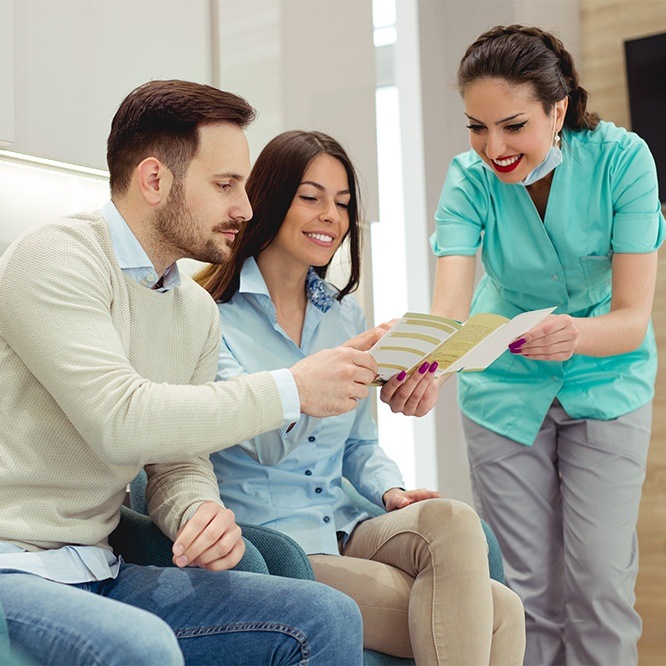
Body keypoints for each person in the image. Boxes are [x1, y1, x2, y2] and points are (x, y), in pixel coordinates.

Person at [0, 79, 378, 665]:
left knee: (324, 614)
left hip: (100, 567)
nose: (246, 209)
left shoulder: (194, 310)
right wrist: (293, 388)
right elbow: (120, 420)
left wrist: (196, 511)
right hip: (11, 567)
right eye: (225, 185)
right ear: (155, 180)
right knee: (142, 646)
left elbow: (177, 459)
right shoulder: (57, 257)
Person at [195, 129, 526, 666]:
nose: (331, 215)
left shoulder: (344, 314)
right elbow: (262, 444)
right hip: (277, 544)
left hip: (347, 521)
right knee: (501, 613)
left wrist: (389, 490)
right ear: (270, 199)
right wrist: (324, 373)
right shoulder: (210, 315)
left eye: (343, 203)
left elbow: (359, 446)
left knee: (455, 520)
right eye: (312, 197)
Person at [429, 25, 665, 666]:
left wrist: (574, 336)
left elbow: (632, 320)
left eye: (512, 126)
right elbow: (449, 306)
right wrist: (422, 361)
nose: (493, 148)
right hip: (502, 387)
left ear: (557, 109)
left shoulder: (623, 161)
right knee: (523, 593)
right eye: (477, 128)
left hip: (606, 381)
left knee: (601, 587)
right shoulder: (468, 179)